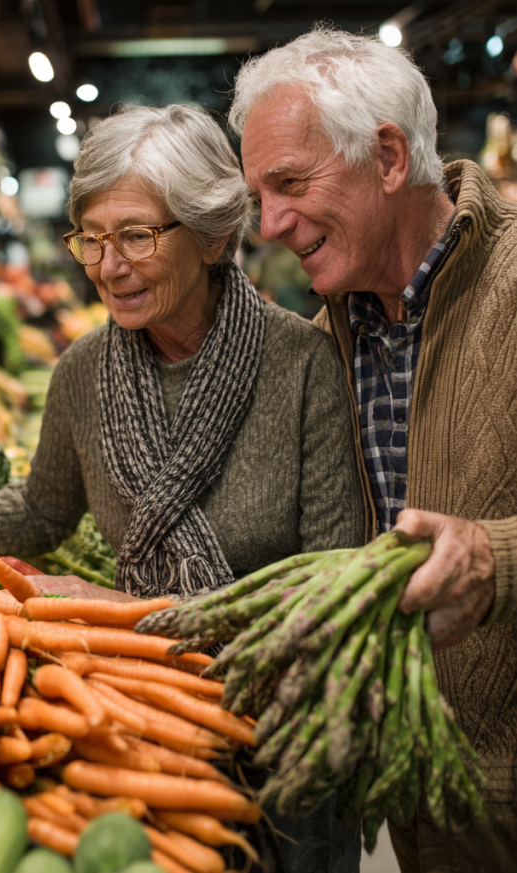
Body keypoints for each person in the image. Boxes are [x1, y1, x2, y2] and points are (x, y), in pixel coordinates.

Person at [0, 103, 365, 871]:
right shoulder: (82, 371)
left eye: (135, 234)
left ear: (213, 235)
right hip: (133, 725)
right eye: (90, 237)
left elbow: (334, 586)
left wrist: (146, 619)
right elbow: (43, 511)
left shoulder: (303, 365)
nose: (106, 265)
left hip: (286, 727)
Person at [231, 25, 517, 872]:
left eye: (289, 184)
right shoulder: (326, 340)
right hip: (419, 817)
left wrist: (495, 558)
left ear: (388, 157)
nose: (271, 224)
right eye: (258, 197)